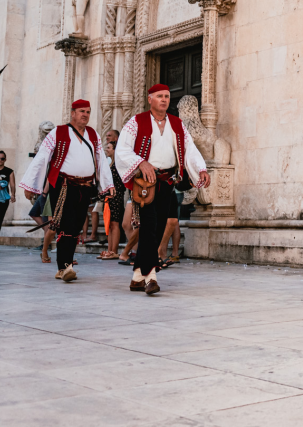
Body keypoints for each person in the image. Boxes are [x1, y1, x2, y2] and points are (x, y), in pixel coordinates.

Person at [116, 84, 209, 295]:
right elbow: (122, 149)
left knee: (157, 230)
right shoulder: (136, 122)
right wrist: (141, 163)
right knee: (149, 227)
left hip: (167, 183)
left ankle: (137, 276)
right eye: (159, 96)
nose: (164, 100)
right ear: (150, 99)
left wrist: (201, 169)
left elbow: (190, 149)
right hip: (146, 185)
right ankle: (151, 277)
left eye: (167, 96)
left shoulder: (177, 124)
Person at [19, 99, 113, 282]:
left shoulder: (93, 134)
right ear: (73, 113)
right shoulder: (58, 132)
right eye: (81, 111)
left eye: (88, 111)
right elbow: (42, 157)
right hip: (63, 186)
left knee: (76, 227)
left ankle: (66, 265)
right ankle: (64, 267)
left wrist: (108, 185)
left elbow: (101, 160)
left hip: (85, 187)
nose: (85, 114)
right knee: (64, 225)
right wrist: (31, 186)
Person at [99, 130, 125, 260]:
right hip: (108, 198)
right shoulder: (110, 164)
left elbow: (119, 184)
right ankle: (109, 250)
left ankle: (114, 250)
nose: (107, 149)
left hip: (116, 197)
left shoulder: (118, 165)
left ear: (115, 150)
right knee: (109, 224)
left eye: (109, 148)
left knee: (115, 223)